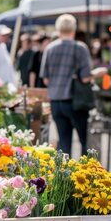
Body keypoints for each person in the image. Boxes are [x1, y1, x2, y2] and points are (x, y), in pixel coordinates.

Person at [40, 14, 96, 157]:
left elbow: (45, 80)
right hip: (75, 101)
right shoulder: (80, 48)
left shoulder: (50, 48)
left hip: (56, 101)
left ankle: (66, 176)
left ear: (58, 29)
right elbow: (85, 78)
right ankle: (84, 174)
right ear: (74, 29)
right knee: (85, 142)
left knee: (64, 143)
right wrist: (96, 74)